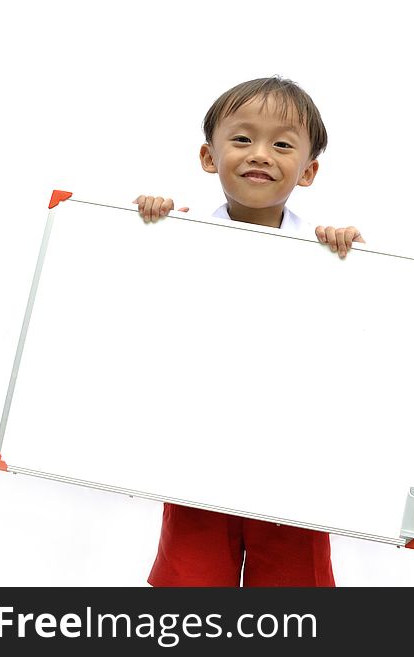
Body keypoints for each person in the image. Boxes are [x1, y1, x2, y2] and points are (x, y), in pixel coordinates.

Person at [133, 76, 364, 587]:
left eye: (282, 144)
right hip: (199, 450)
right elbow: (140, 323)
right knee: (190, 581)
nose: (260, 153)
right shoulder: (180, 239)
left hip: (294, 459)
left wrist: (359, 261)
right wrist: (147, 230)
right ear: (208, 157)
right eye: (242, 139)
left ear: (309, 171)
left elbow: (361, 339)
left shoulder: (331, 257)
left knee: (293, 586)